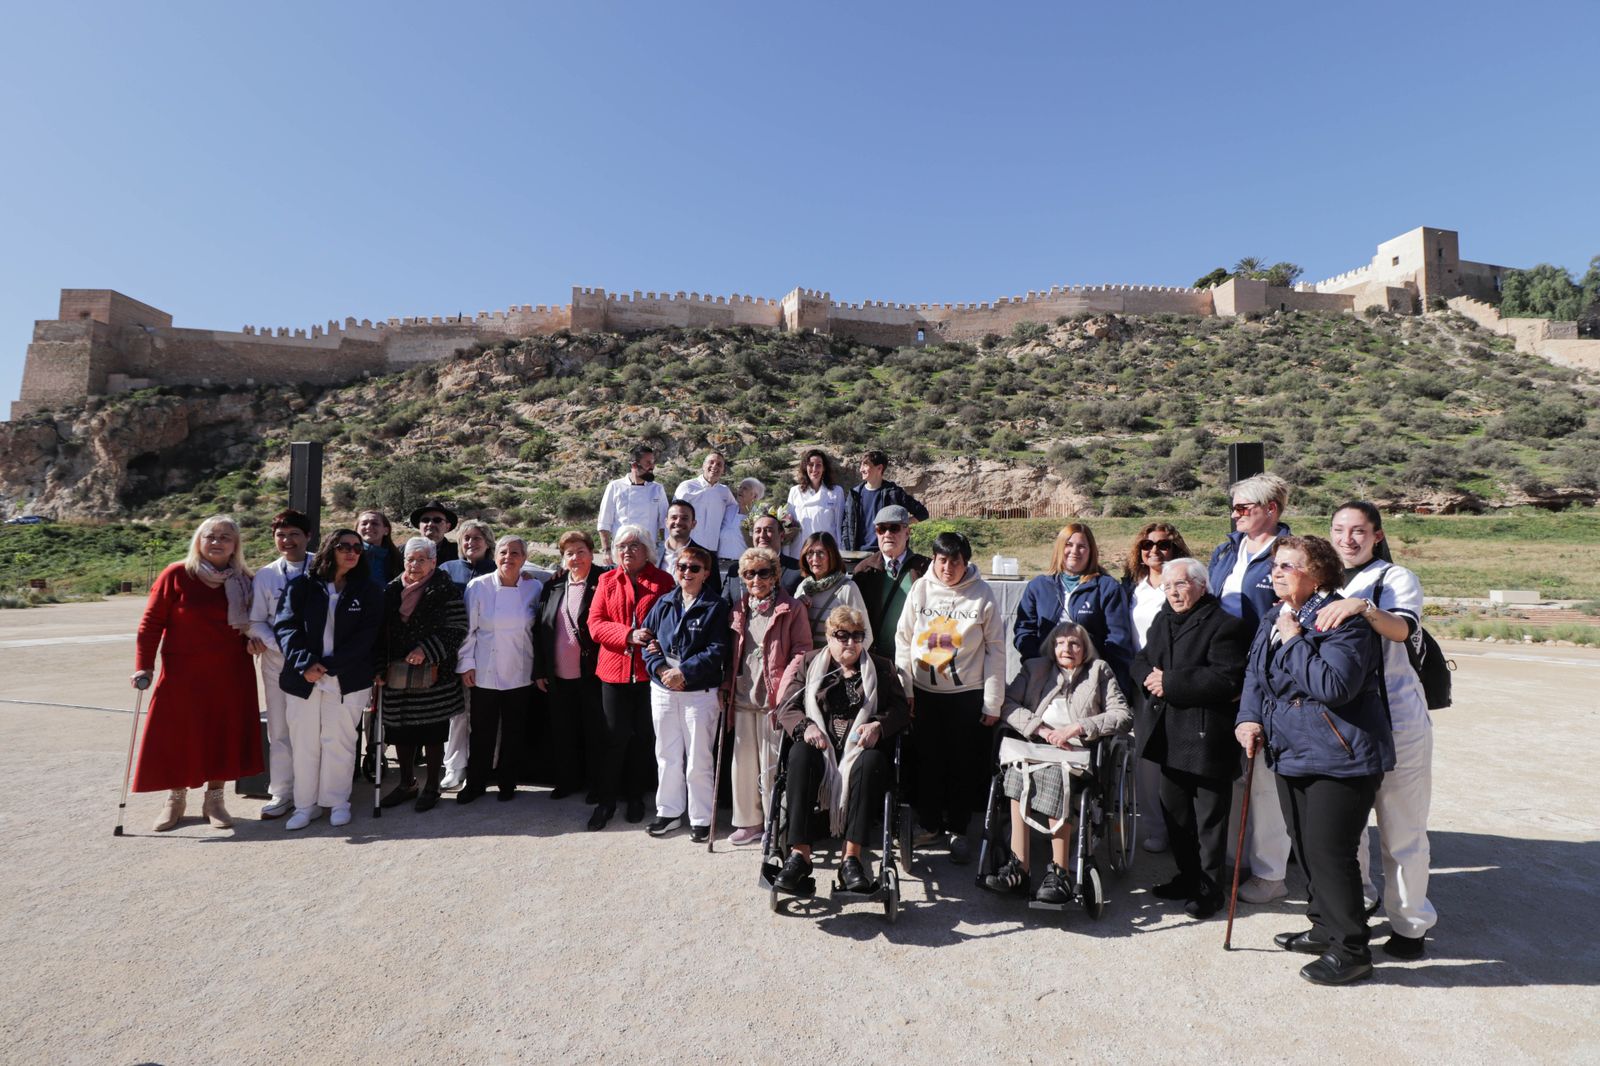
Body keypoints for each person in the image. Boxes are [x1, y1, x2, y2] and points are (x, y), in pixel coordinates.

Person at [1236, 534, 1393, 986]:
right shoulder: (1277, 614)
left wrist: (1294, 640)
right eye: (1275, 565)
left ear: (1318, 573)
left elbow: (1334, 686)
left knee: (1331, 852)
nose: (1276, 572)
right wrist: (1247, 719)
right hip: (1290, 751)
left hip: (1339, 754)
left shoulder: (1344, 621)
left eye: (1288, 565)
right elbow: (1255, 675)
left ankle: (1352, 950)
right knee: (1304, 846)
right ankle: (1324, 927)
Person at [1313, 501, 1438, 960]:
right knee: (1349, 832)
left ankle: (1409, 925)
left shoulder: (1394, 579)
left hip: (1398, 721)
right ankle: (1356, 905)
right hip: (1346, 724)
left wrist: (1362, 607)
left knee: (1402, 830)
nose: (1348, 538)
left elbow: (1403, 630)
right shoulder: (1322, 582)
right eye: (1340, 529)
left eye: (1359, 530)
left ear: (1377, 535)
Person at [1129, 558, 1249, 917]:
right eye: (1167, 587)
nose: (1174, 593)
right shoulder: (1163, 619)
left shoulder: (1225, 625)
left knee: (1210, 821)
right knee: (1176, 813)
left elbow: (1227, 679)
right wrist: (1150, 678)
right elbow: (1141, 659)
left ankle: (1210, 890)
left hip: (1205, 736)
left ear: (1201, 585)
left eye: (1180, 585)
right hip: (1168, 733)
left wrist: (1170, 683)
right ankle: (1187, 875)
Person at [129, 515, 262, 831]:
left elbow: (258, 622)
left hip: (231, 672)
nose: (217, 542)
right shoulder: (177, 574)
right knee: (181, 734)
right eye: (210, 536)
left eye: (225, 537)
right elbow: (150, 624)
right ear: (199, 541)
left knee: (222, 732)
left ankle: (215, 799)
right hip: (183, 674)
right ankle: (175, 800)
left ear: (235, 545)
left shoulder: (245, 579)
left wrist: (257, 639)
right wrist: (143, 665)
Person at [983, 621, 1131, 903]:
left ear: (1085, 649)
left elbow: (1122, 714)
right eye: (1061, 642)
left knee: (1052, 775)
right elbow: (1008, 705)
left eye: (1075, 643)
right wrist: (1042, 730)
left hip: (1076, 753)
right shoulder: (1035, 668)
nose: (1067, 648)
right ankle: (1019, 867)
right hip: (1035, 747)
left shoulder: (1099, 671)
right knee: (1015, 775)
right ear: (1052, 647)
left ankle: (1060, 872)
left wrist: (1078, 728)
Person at [770, 606, 911, 893]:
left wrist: (878, 727)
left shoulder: (881, 668)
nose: (850, 643)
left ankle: (851, 859)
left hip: (860, 751)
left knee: (871, 762)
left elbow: (900, 710)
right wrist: (805, 727)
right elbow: (787, 706)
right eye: (842, 635)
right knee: (798, 754)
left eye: (857, 636)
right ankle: (799, 855)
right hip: (819, 748)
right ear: (828, 636)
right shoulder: (810, 663)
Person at [1208, 472, 1294, 905]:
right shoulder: (1227, 549)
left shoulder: (1288, 556)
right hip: (1224, 674)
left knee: (1263, 779)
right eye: (1234, 507)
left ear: (1271, 510)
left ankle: (1271, 872)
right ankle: (1235, 857)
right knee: (1234, 773)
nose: (1235, 514)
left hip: (1266, 675)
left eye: (1244, 508)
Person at [895, 530, 1006, 863]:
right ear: (934, 559)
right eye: (941, 560)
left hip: (965, 694)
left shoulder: (982, 595)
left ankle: (958, 829)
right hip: (925, 693)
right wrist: (907, 690)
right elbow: (903, 639)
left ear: (966, 562)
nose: (947, 568)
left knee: (962, 763)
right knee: (928, 761)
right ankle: (929, 825)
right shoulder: (920, 589)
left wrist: (993, 701)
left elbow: (996, 650)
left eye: (954, 561)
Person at [272, 529, 383, 830]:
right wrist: (306, 663)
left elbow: (367, 636)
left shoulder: (369, 590)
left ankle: (337, 802)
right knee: (305, 742)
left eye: (357, 548)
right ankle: (305, 806)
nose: (351, 552)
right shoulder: (301, 586)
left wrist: (331, 665)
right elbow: (286, 628)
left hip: (346, 678)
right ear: (329, 549)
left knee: (340, 741)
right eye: (344, 546)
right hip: (303, 677)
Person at [585, 524, 673, 830]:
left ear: (647, 550)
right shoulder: (606, 579)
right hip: (613, 671)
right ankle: (606, 801)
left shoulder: (663, 581)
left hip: (649, 673)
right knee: (613, 737)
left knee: (643, 737)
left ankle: (636, 796)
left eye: (634, 546)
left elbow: (670, 622)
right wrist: (628, 634)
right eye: (622, 546)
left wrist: (652, 641)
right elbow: (595, 624)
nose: (627, 551)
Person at [723, 546, 813, 847]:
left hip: (774, 697)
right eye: (749, 574)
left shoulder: (791, 608)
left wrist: (787, 683)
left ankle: (775, 823)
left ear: (775, 575)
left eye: (763, 572)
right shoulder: (738, 609)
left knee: (772, 764)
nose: (757, 579)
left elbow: (802, 650)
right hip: (743, 694)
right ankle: (749, 822)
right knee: (744, 762)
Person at [640, 544, 729, 842]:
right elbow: (647, 640)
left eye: (694, 568)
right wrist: (663, 671)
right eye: (682, 567)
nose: (687, 572)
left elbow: (717, 650)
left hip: (698, 692)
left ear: (706, 573)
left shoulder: (716, 606)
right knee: (666, 753)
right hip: (663, 689)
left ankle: (701, 818)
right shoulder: (664, 602)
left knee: (699, 757)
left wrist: (684, 672)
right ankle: (668, 812)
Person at [377, 537, 468, 813]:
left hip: (433, 674)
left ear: (433, 562)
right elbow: (379, 631)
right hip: (396, 675)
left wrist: (426, 649)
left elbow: (457, 627)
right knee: (400, 732)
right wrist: (379, 666)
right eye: (410, 559)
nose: (414, 565)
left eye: (420, 560)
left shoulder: (445, 590)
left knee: (432, 733)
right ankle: (407, 783)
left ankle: (432, 786)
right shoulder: (391, 590)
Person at [1121, 522, 1193, 853]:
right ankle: (1156, 826)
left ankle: (1185, 828)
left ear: (1175, 548)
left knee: (1179, 759)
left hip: (1177, 683)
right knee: (1146, 760)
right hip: (1141, 684)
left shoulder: (1185, 585)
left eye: (1163, 545)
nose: (1154, 551)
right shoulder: (1130, 588)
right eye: (1147, 546)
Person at [457, 536, 543, 803]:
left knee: (515, 730)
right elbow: (468, 629)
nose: (509, 557)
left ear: (525, 558)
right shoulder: (478, 586)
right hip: (485, 668)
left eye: (516, 552)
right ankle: (476, 783)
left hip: (520, 667)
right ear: (495, 557)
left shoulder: (534, 587)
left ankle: (508, 782)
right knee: (482, 730)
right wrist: (466, 663)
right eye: (504, 552)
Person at [247, 509, 315, 820]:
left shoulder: (323, 568)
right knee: (279, 730)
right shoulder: (266, 575)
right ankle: (281, 792)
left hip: (316, 665)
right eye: (281, 535)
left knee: (311, 730)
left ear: (308, 537)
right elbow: (257, 621)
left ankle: (311, 792)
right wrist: (285, 649)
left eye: (294, 535)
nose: (287, 541)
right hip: (277, 663)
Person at [1014, 522, 1134, 698]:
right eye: (1068, 545)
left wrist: (1109, 680)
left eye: (1082, 546)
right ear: (1059, 548)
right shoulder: (1038, 586)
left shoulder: (1107, 587)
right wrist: (1037, 663)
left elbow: (1117, 640)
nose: (1074, 551)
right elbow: (1024, 631)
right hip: (1045, 675)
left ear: (1091, 551)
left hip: (1090, 677)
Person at [536, 531, 607, 802]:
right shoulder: (553, 586)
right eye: (569, 553)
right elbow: (540, 629)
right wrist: (540, 670)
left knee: (594, 731)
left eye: (580, 551)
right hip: (558, 673)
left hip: (592, 672)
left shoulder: (603, 581)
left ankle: (596, 784)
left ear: (591, 553)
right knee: (564, 730)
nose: (575, 557)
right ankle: (567, 781)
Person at [438, 518, 496, 791]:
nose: (471, 543)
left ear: (488, 543)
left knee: (486, 714)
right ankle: (454, 766)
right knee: (456, 712)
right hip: (451, 652)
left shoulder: (498, 570)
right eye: (466, 539)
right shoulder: (447, 570)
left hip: (488, 654)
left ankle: (487, 764)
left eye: (476, 538)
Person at [849, 505, 930, 663]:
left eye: (894, 528)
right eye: (881, 529)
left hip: (916, 658)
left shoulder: (925, 569)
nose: (887, 534)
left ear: (907, 533)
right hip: (876, 659)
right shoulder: (864, 570)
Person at [839, 449, 929, 553]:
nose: (861, 469)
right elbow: (846, 525)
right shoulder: (854, 494)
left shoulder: (894, 493)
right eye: (861, 465)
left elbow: (922, 513)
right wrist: (846, 550)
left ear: (879, 468)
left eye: (865, 465)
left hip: (885, 555)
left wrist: (899, 525)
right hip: (858, 555)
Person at [795, 532, 872, 649]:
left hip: (834, 663)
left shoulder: (847, 588)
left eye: (821, 553)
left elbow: (866, 635)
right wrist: (797, 606)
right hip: (804, 662)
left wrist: (847, 662)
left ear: (832, 556)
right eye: (810, 553)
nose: (815, 559)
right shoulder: (803, 587)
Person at [673, 450, 743, 564]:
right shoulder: (687, 487)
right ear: (703, 465)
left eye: (719, 464)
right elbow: (674, 516)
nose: (715, 466)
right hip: (687, 548)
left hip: (712, 551)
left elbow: (735, 513)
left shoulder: (724, 492)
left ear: (723, 470)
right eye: (711, 462)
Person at [597, 444, 669, 553]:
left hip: (648, 551)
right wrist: (606, 551)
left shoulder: (657, 489)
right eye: (648, 463)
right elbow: (604, 522)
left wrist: (665, 549)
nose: (652, 466)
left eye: (653, 462)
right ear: (635, 465)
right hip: (621, 550)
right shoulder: (615, 487)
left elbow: (664, 523)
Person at [782, 449, 845, 565]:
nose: (814, 469)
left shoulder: (836, 492)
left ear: (824, 468)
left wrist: (840, 553)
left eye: (818, 465)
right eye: (811, 465)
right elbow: (789, 526)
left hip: (826, 550)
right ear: (805, 467)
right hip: (800, 551)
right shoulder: (795, 491)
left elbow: (839, 526)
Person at [726, 506, 803, 598]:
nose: (762, 535)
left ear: (782, 536)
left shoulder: (797, 570)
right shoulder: (735, 571)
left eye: (769, 530)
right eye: (757, 531)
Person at [661, 499, 721, 594]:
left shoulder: (707, 557)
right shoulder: (651, 553)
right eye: (674, 517)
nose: (678, 522)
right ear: (666, 522)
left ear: (693, 524)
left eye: (684, 518)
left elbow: (713, 594)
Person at [357, 509, 403, 582]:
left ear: (386, 531)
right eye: (364, 523)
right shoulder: (349, 556)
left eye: (374, 523)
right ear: (357, 530)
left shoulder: (397, 558)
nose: (369, 527)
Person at [410, 500, 460, 564]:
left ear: (447, 527)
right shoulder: (403, 551)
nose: (430, 524)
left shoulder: (458, 552)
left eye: (437, 520)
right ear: (419, 526)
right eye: (425, 520)